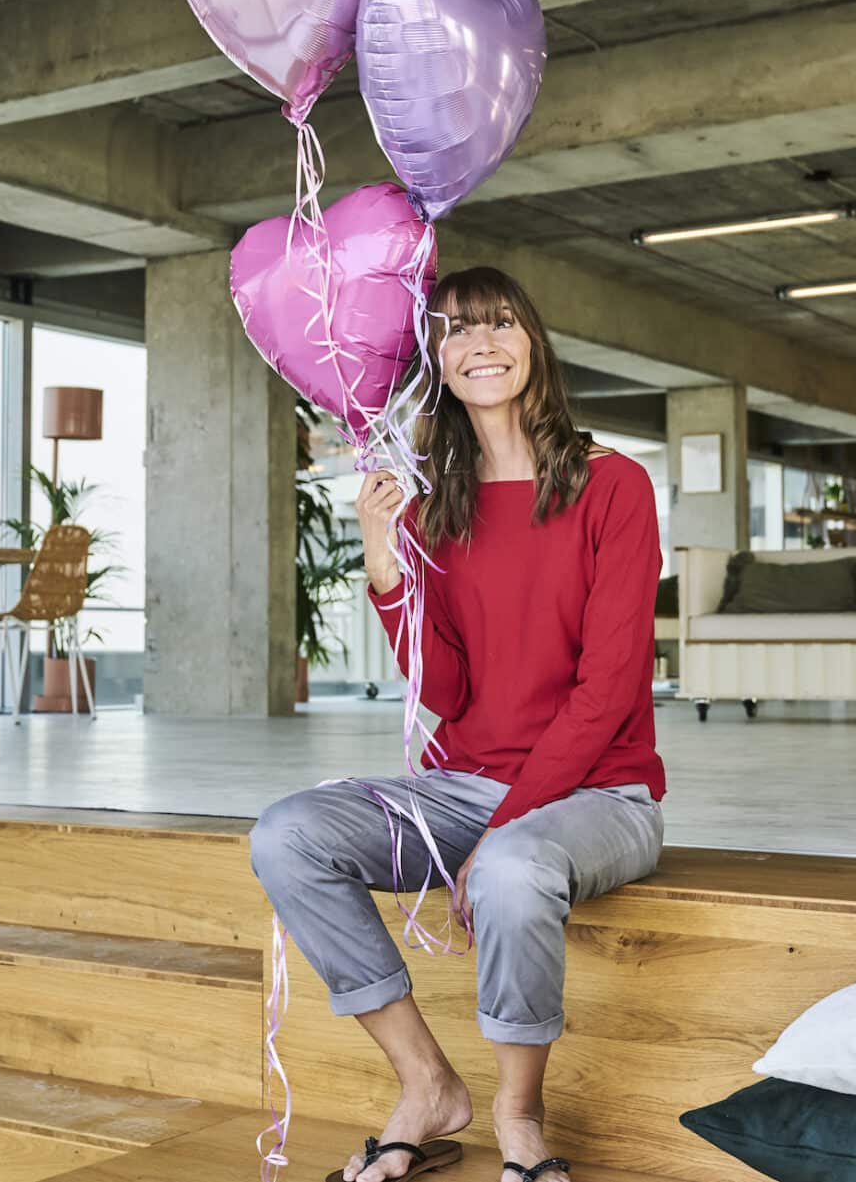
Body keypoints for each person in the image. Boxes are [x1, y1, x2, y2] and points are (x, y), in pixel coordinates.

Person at [250, 267, 666, 1182]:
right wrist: (383, 558)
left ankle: (520, 1118)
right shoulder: (446, 502)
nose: (480, 344)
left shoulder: (614, 486)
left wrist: (512, 819)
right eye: (457, 331)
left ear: (533, 344)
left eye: (500, 324)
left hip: (602, 790)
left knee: (514, 867)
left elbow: (606, 692)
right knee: (289, 835)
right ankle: (427, 1083)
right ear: (437, 360)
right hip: (464, 785)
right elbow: (442, 682)